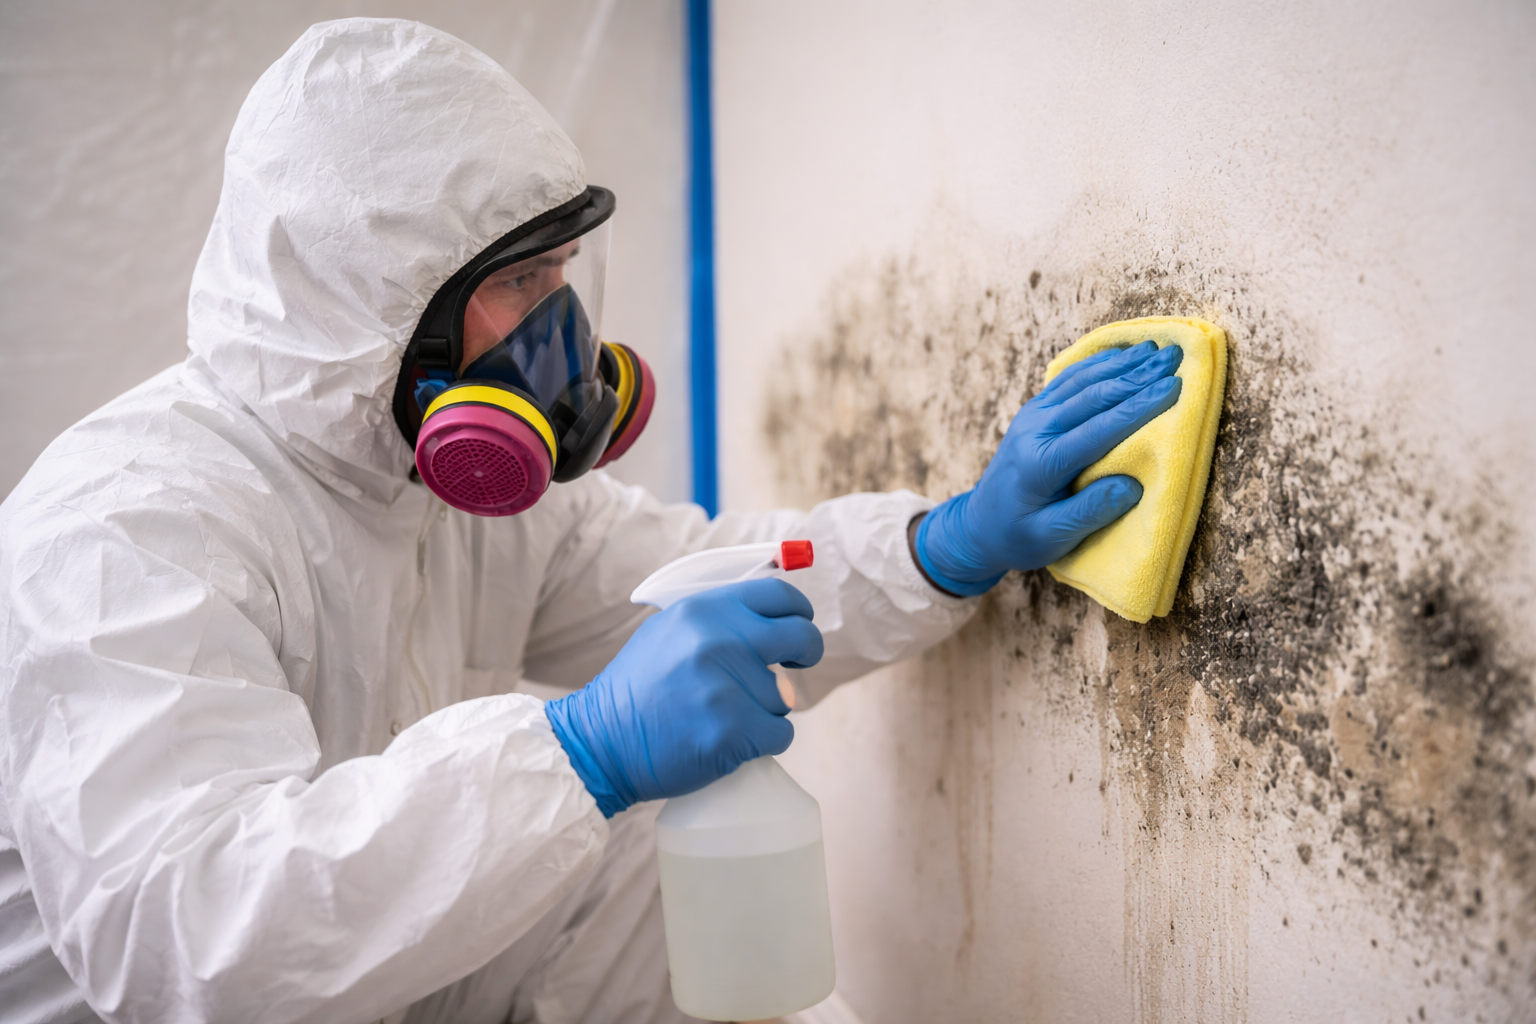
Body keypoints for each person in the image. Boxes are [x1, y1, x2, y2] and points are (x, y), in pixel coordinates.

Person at [0, 19, 1182, 1024]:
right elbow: (186, 938)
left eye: (561, 271)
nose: (557, 327)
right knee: (588, 807)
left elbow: (693, 583)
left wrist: (949, 544)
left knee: (651, 857)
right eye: (518, 283)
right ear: (374, 303)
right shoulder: (129, 527)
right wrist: (577, 752)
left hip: (357, 986)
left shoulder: (424, 485)